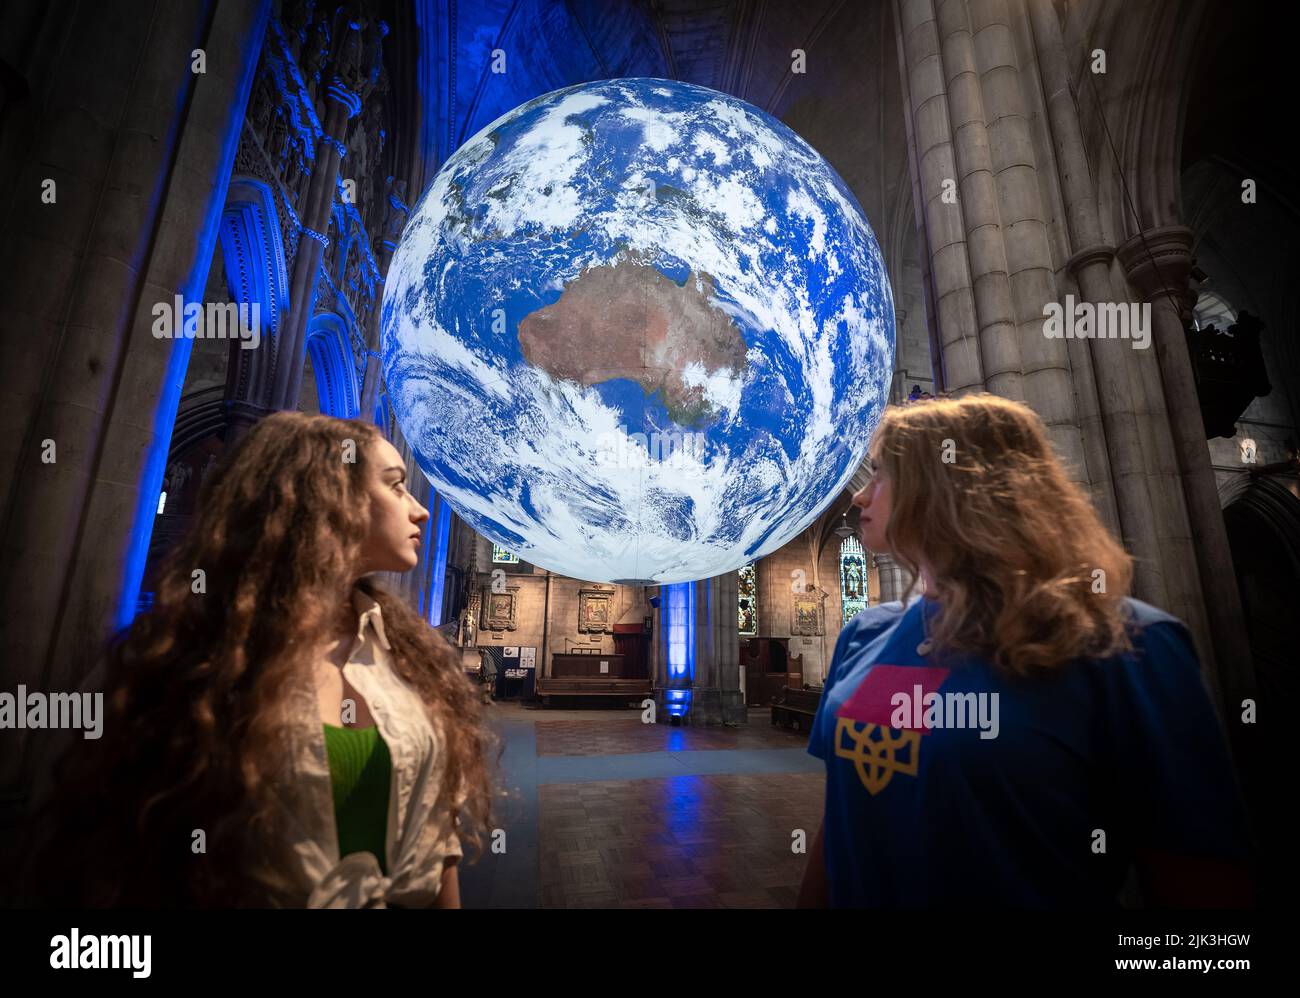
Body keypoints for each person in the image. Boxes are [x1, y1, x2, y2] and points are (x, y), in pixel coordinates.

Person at [796, 393, 1254, 908]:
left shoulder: (1126, 645)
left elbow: (1201, 889)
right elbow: (841, 818)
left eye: (881, 474)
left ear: (956, 485)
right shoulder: (865, 634)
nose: (860, 496)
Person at [23, 412, 495, 908]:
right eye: (397, 487)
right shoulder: (189, 660)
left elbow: (438, 839)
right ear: (325, 496)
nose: (419, 510)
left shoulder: (409, 655)